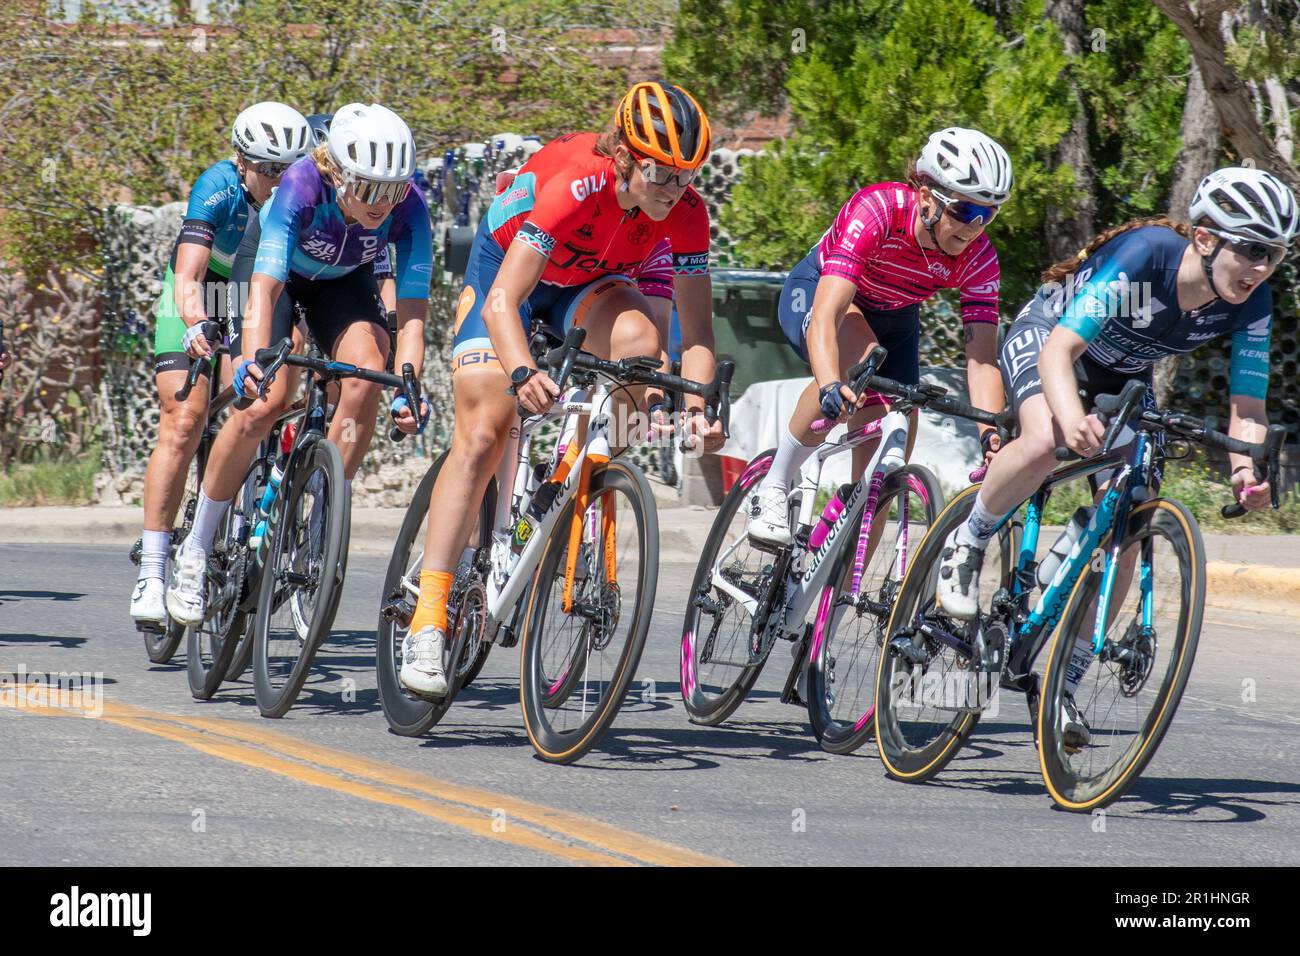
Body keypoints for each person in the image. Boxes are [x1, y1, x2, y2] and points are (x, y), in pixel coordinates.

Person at [399, 80, 724, 698]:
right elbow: (503, 303)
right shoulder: (579, 181)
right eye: (661, 173)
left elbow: (699, 331)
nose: (674, 190)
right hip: (507, 279)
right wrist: (522, 372)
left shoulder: (686, 213)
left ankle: (579, 474)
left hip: (590, 284)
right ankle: (429, 620)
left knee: (642, 355)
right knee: (485, 430)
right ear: (626, 155)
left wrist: (696, 406)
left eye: (686, 176)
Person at [937, 165, 1296, 619]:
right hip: (1052, 338)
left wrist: (1246, 469)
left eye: (1275, 255)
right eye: (1251, 249)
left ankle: (1067, 677)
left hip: (1123, 375)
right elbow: (1058, 352)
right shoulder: (1146, 256)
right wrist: (1071, 419)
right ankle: (968, 540)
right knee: (1047, 440)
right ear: (1205, 239)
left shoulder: (1254, 301)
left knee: (1133, 511)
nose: (1261, 268)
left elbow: (1248, 406)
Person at [165, 103, 433, 626]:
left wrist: (409, 386)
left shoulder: (410, 206)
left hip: (342, 285)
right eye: (370, 189)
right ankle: (196, 548)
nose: (383, 203)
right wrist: (250, 359)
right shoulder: (302, 185)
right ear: (340, 173)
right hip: (275, 272)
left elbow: (415, 317)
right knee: (266, 399)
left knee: (365, 375)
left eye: (393, 189)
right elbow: (262, 291)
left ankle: (320, 515)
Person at [746, 127, 1013, 547]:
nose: (975, 227)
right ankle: (774, 486)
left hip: (895, 318)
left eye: (988, 214)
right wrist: (831, 383)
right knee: (858, 359)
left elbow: (981, 361)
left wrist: (990, 433)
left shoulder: (980, 259)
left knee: (890, 455)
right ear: (927, 197)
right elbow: (829, 313)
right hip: (823, 292)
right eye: (965, 211)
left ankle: (834, 602)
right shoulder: (878, 210)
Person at [130, 102, 313, 627]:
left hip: (247, 292)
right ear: (241, 159)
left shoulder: (300, 201)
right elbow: (189, 275)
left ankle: (225, 521)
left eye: (290, 169)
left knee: (254, 394)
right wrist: (192, 322)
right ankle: (155, 565)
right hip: (203, 288)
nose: (280, 180)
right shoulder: (218, 185)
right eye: (269, 169)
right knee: (184, 417)